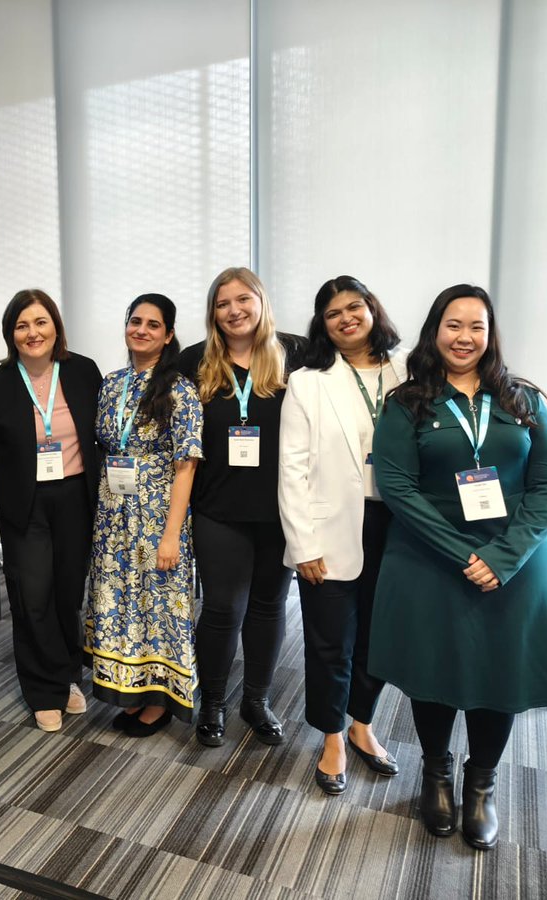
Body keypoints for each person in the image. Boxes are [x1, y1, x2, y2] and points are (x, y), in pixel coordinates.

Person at [370, 285, 547, 850]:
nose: (464, 338)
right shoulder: (408, 402)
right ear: (436, 331)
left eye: (475, 327)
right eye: (453, 326)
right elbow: (399, 488)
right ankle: (436, 772)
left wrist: (501, 558)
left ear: (490, 333)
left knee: (497, 678)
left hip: (514, 563)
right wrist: (465, 555)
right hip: (429, 559)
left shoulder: (523, 399)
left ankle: (481, 783)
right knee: (432, 672)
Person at [277, 276, 407, 794]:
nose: (346, 318)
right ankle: (331, 735)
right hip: (330, 528)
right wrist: (302, 544)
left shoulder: (407, 373)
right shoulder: (308, 381)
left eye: (354, 307)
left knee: (378, 638)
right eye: (333, 314)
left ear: (372, 309)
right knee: (331, 640)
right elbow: (292, 469)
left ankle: (362, 724)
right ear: (323, 326)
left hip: (398, 526)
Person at [177, 267, 305, 747]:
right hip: (218, 509)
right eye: (222, 303)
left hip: (280, 509)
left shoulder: (295, 354)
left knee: (270, 607)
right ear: (213, 312)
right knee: (222, 608)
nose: (234, 310)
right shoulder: (195, 361)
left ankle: (257, 699)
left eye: (243, 299)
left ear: (261, 301)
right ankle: (212, 701)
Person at [0, 289, 103, 732]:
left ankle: (68, 675)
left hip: (74, 500)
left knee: (68, 594)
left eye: (41, 322)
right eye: (22, 325)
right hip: (23, 504)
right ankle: (41, 688)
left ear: (55, 326)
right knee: (32, 597)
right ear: (11, 333)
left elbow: (103, 436)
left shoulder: (84, 371)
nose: (33, 333)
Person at [85, 293, 202, 735]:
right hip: (113, 514)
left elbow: (186, 465)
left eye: (154, 324)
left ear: (168, 335)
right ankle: (133, 689)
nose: (142, 330)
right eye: (136, 321)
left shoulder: (179, 389)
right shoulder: (111, 383)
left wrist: (172, 534)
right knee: (122, 605)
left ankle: (161, 700)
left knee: (158, 607)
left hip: (157, 516)